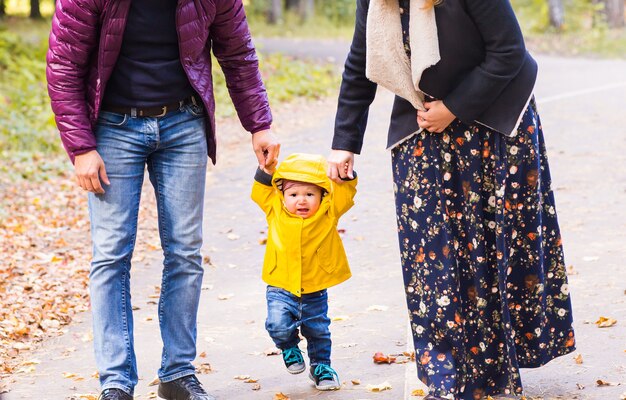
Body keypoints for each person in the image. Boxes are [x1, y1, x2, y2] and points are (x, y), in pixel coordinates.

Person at [328, 0, 575, 399]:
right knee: (430, 250)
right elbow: (361, 61)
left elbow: (509, 50)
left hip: (495, 121)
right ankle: (447, 369)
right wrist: (344, 143)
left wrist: (455, 108)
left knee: (493, 249)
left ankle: (493, 366)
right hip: (424, 120)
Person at [46, 0, 279, 399]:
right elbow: (63, 66)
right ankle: (116, 381)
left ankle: (178, 373)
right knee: (111, 253)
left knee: (186, 251)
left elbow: (238, 54)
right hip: (113, 127)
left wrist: (260, 124)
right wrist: (82, 147)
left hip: (183, 124)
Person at [251, 153, 357, 391]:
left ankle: (321, 368)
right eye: (294, 194)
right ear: (282, 195)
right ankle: (288, 346)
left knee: (318, 331)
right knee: (277, 324)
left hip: (314, 287)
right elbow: (260, 192)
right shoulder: (274, 210)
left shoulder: (328, 213)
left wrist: (344, 176)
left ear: (322, 195)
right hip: (281, 285)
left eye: (310, 194)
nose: (302, 201)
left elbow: (345, 196)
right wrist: (267, 171)